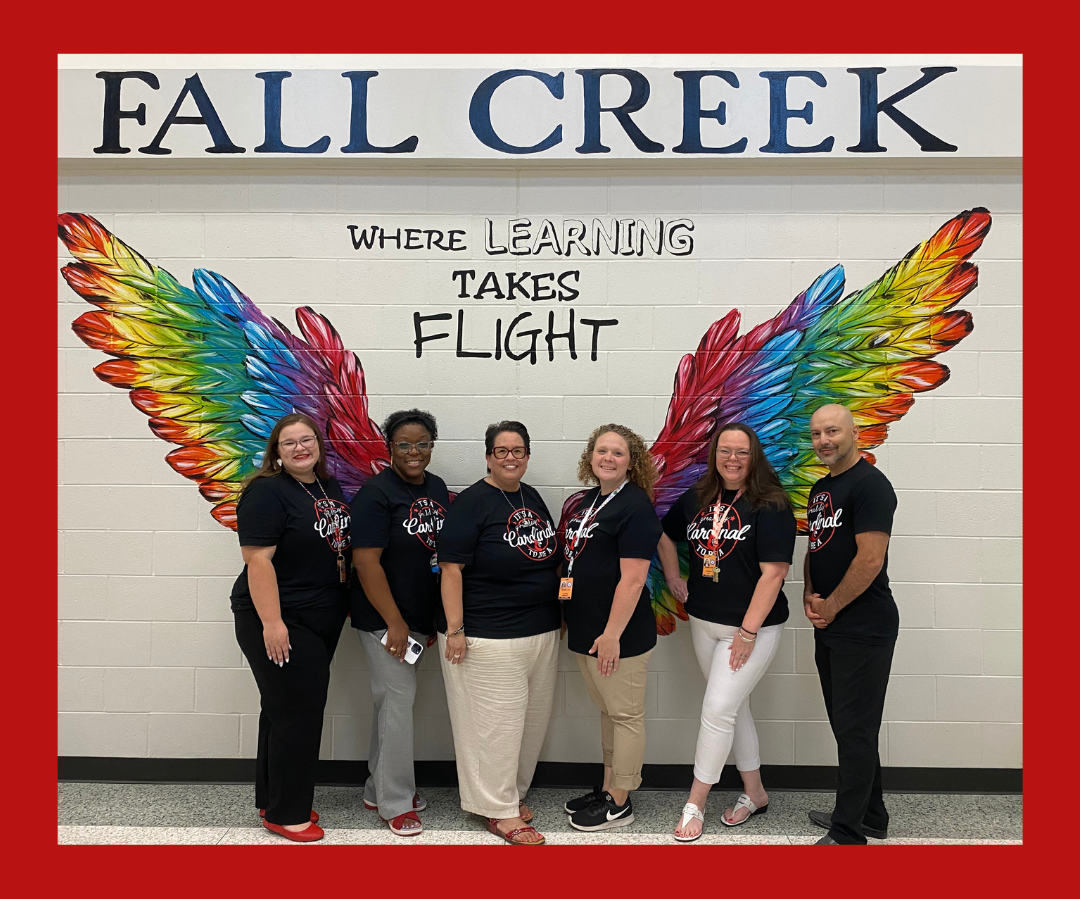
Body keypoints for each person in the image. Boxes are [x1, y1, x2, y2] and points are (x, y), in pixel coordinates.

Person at [657, 423, 795, 842]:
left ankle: (695, 802)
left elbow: (774, 574)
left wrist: (748, 633)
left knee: (717, 710)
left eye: (741, 452)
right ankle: (755, 793)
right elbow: (665, 536)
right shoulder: (699, 497)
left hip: (751, 628)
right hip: (702, 622)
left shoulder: (770, 504)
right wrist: (674, 579)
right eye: (724, 451)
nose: (732, 459)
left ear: (754, 457)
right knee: (735, 710)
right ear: (714, 455)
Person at [437, 420, 561, 845]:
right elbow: (451, 569)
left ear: (528, 456)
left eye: (518, 450)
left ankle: (511, 793)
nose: (511, 457)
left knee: (529, 724)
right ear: (488, 456)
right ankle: (498, 810)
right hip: (488, 634)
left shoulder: (532, 496)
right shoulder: (472, 502)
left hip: (541, 630)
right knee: (494, 728)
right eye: (502, 450)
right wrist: (455, 630)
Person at [230, 412, 351, 842]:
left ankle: (274, 797)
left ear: (318, 444)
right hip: (281, 617)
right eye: (289, 443)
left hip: (322, 616)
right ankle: (287, 813)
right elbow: (258, 561)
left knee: (282, 710)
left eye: (307, 440)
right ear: (276, 452)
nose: (300, 448)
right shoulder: (267, 492)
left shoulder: (328, 487)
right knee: (299, 713)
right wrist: (273, 623)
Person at [349, 409, 449, 837]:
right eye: (405, 444)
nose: (414, 452)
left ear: (432, 445)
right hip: (384, 620)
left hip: (414, 621)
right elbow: (365, 562)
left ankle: (377, 787)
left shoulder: (439, 487)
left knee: (391, 705)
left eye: (422, 443)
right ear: (389, 447)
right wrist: (395, 622)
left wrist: (425, 620)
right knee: (397, 705)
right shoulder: (376, 494)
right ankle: (394, 803)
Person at [559, 424, 662, 831]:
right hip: (588, 630)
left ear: (631, 462)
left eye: (618, 453)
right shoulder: (589, 502)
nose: (608, 458)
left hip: (618, 636)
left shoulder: (635, 506)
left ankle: (620, 802)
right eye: (601, 451)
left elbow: (634, 579)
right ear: (590, 457)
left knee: (625, 715)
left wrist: (613, 634)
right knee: (607, 713)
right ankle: (607, 787)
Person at [803, 403, 898, 845]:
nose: (824, 440)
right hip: (832, 624)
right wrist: (809, 593)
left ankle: (847, 833)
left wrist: (834, 606)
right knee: (849, 726)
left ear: (854, 433)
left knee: (856, 728)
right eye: (818, 434)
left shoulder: (871, 485)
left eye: (833, 431)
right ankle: (871, 816)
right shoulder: (821, 489)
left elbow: (870, 559)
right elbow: (817, 547)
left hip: (865, 626)